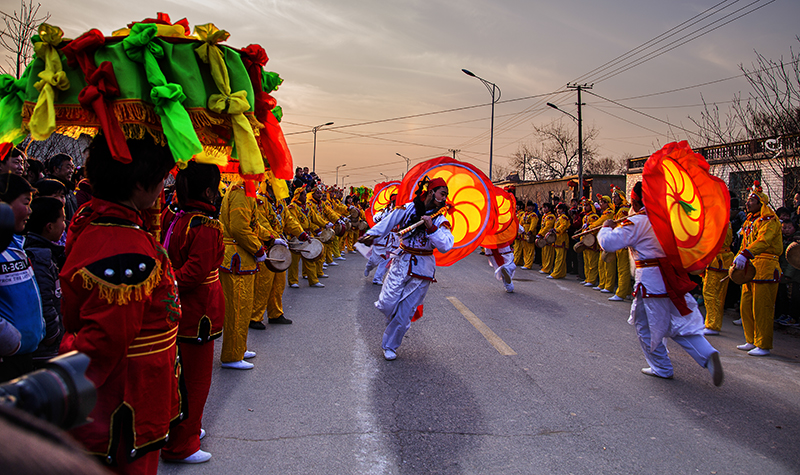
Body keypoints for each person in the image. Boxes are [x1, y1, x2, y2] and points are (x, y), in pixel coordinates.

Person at [59, 135, 181, 473]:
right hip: (124, 399)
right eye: (159, 179)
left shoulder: (94, 220)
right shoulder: (124, 246)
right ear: (140, 184)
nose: (162, 187)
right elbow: (105, 340)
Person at [597, 182, 724, 386]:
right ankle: (707, 354)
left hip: (650, 281)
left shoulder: (638, 221)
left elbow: (609, 243)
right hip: (670, 279)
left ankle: (661, 367)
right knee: (677, 324)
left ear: (637, 202)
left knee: (646, 326)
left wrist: (604, 229)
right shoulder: (667, 220)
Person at [160, 162, 225, 463]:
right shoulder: (206, 225)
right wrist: (170, 285)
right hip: (199, 311)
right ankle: (183, 444)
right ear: (209, 190)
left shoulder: (175, 217)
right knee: (195, 381)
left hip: (180, 310)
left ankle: (186, 429)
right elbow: (196, 272)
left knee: (179, 377)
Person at [359, 177, 453, 361]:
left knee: (404, 314)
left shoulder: (440, 219)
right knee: (386, 304)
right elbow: (387, 223)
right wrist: (371, 235)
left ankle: (390, 345)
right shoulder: (408, 208)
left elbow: (446, 245)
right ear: (431, 191)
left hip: (422, 270)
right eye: (443, 193)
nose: (445, 198)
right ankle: (395, 321)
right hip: (401, 262)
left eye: (446, 195)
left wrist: (431, 227)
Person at [219, 177, 269, 370]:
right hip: (236, 258)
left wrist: (271, 238)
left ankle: (239, 348)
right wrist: (258, 249)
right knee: (237, 309)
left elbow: (253, 225)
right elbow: (239, 229)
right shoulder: (240, 192)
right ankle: (232, 355)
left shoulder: (245, 191)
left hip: (242, 259)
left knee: (244, 306)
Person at [0, 173, 44, 382]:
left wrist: (40, 326)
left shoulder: (18, 245)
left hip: (26, 355)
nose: (30, 211)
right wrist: (7, 338)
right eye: (26, 203)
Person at [733, 181, 782, 356]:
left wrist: (746, 253)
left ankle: (763, 344)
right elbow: (745, 243)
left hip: (766, 267)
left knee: (762, 308)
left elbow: (764, 241)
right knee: (746, 305)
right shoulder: (749, 221)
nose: (747, 203)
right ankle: (751, 339)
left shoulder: (770, 220)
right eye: (747, 199)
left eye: (751, 200)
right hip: (750, 267)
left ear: (760, 203)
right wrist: (737, 257)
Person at [24, 197, 66, 369]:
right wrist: (53, 334)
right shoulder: (40, 258)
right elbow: (45, 301)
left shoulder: (49, 253)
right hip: (45, 349)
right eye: (62, 220)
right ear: (49, 227)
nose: (66, 224)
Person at [248, 181, 289, 331]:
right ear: (269, 184)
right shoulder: (260, 200)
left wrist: (301, 234)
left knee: (279, 283)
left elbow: (289, 220)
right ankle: (255, 316)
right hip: (266, 246)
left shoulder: (280, 202)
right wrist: (273, 237)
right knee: (263, 284)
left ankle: (275, 313)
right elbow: (260, 223)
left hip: (279, 245)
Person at [701, 223, 734, 335]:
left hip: (718, 259)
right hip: (716, 258)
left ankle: (713, 324)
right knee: (713, 293)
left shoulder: (720, 217)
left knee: (712, 293)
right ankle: (711, 322)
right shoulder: (721, 218)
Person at [364, 194, 398, 285]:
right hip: (383, 238)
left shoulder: (401, 211)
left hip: (394, 240)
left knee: (388, 259)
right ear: (392, 202)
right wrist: (380, 217)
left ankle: (378, 278)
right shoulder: (385, 211)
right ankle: (369, 267)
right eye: (396, 201)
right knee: (374, 259)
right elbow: (375, 219)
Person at [609, 186, 632, 301]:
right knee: (621, 268)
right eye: (613, 197)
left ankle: (621, 293)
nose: (614, 199)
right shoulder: (618, 210)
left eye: (615, 197)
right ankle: (626, 290)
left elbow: (623, 227)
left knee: (623, 268)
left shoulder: (624, 211)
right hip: (620, 241)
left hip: (623, 242)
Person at [776, 217, 800, 325]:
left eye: (789, 227)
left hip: (793, 275)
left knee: (793, 297)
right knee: (783, 295)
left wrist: (788, 275)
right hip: (782, 272)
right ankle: (784, 314)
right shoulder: (781, 240)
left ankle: (792, 317)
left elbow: (793, 261)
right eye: (784, 228)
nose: (786, 230)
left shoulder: (795, 242)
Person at [45, 154, 77, 223]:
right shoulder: (47, 188)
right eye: (68, 167)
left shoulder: (69, 189)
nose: (71, 171)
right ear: (56, 169)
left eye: (72, 168)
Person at [594, 194, 616, 293]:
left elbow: (601, 222)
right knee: (601, 263)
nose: (600, 204)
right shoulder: (604, 213)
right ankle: (602, 283)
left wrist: (591, 226)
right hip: (603, 241)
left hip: (609, 240)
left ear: (606, 203)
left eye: (601, 202)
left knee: (608, 265)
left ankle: (609, 286)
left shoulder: (609, 213)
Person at [579, 198, 600, 287]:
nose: (585, 207)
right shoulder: (585, 217)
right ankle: (587, 278)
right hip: (585, 241)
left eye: (587, 205)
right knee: (586, 262)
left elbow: (594, 229)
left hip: (591, 242)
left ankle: (592, 280)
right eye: (584, 205)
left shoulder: (594, 216)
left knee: (592, 263)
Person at [548, 203, 571, 279]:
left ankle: (556, 273)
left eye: (560, 209)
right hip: (558, 238)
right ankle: (562, 273)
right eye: (557, 209)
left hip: (562, 239)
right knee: (560, 257)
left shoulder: (563, 217)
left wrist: (556, 230)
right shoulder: (559, 217)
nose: (558, 211)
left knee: (559, 258)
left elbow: (563, 226)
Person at [537, 202, 556, 274]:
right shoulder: (545, 216)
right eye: (543, 207)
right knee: (544, 253)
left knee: (548, 254)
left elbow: (548, 227)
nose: (544, 209)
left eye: (546, 207)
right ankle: (544, 267)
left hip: (548, 236)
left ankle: (547, 268)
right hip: (544, 236)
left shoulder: (550, 216)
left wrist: (541, 233)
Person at [520, 201, 538, 270]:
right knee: (525, 249)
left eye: (531, 206)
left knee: (530, 249)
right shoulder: (525, 215)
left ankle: (529, 264)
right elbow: (521, 223)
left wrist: (530, 231)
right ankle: (526, 262)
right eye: (528, 206)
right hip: (524, 233)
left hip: (530, 234)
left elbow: (533, 223)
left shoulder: (533, 215)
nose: (529, 207)